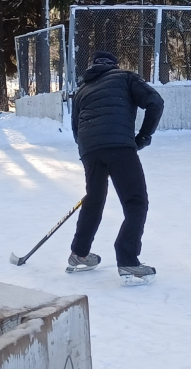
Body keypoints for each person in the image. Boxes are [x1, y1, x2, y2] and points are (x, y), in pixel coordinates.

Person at [69, 51, 164, 285]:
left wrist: (90, 150)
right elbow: (155, 102)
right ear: (114, 65)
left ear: (93, 66)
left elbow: (75, 128)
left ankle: (79, 252)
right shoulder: (125, 77)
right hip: (119, 147)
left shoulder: (82, 90)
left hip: (90, 150)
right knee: (135, 201)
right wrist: (143, 136)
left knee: (94, 199)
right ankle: (128, 259)